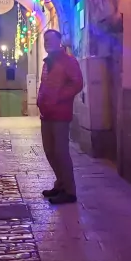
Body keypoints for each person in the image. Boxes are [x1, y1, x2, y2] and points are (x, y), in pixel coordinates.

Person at [36, 30, 83, 204]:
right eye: (45, 40)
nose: (47, 42)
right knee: (49, 151)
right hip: (46, 113)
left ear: (59, 41)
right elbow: (44, 84)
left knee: (61, 152)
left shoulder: (68, 62)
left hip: (60, 114)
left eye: (50, 40)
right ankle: (60, 183)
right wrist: (40, 100)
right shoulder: (47, 63)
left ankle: (69, 191)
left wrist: (59, 96)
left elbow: (77, 83)